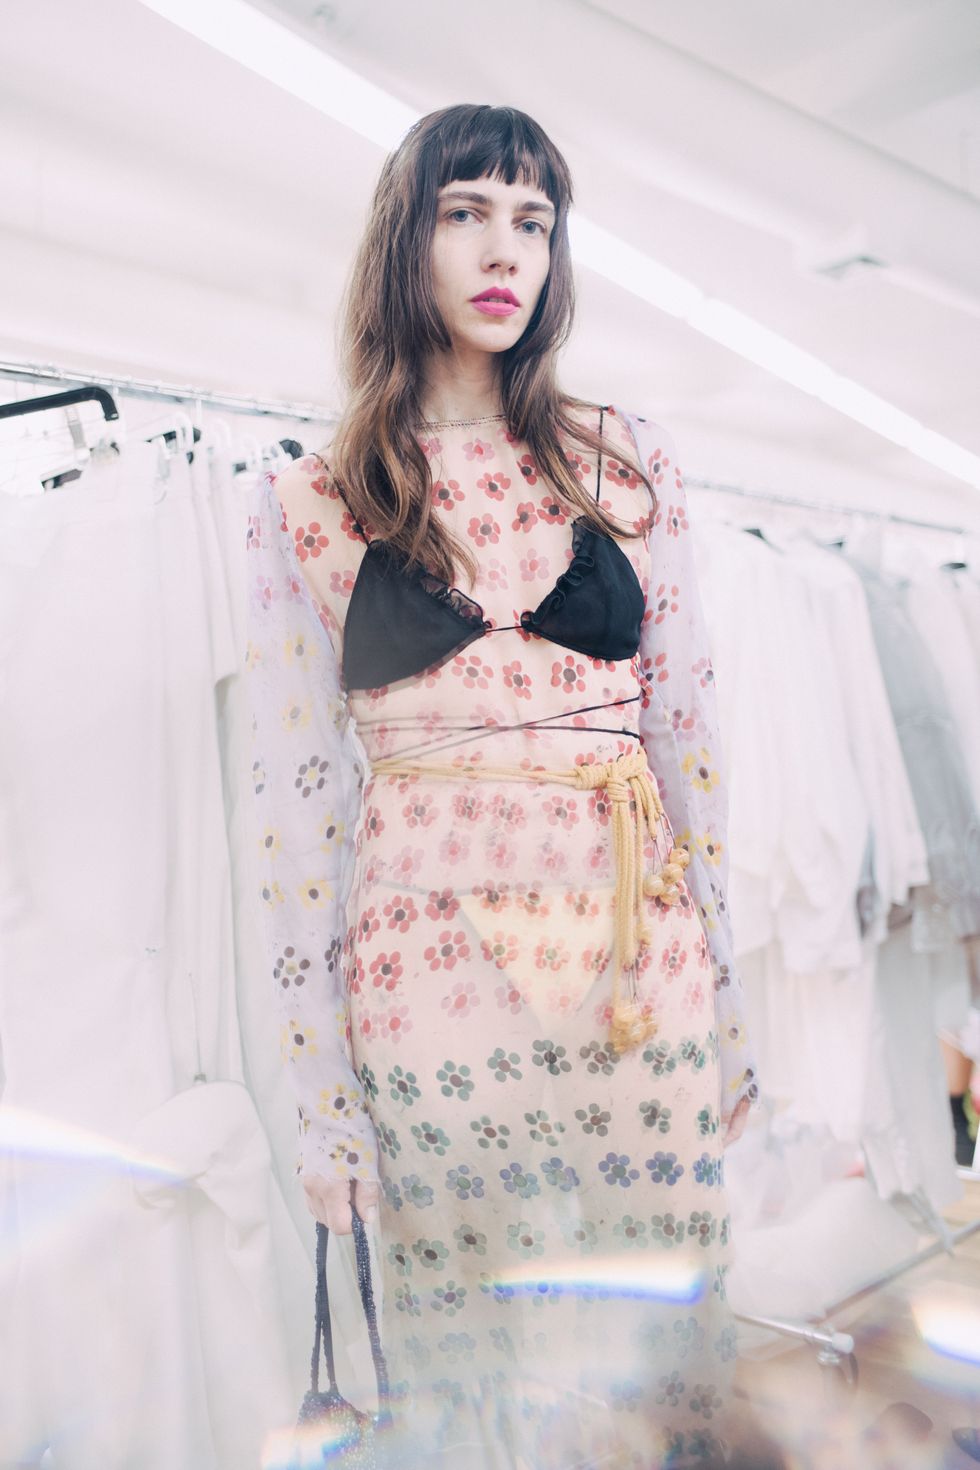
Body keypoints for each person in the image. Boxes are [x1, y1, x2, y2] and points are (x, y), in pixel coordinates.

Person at [246, 102, 756, 1470]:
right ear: (404, 239)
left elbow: (690, 736)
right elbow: (296, 811)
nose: (502, 250)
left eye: (533, 221)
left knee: (664, 1321)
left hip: (635, 956)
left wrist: (733, 997)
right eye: (465, 211)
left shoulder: (622, 460)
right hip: (431, 969)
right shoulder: (315, 496)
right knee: (472, 1347)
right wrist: (318, 1096)